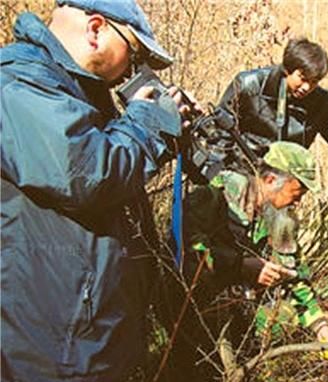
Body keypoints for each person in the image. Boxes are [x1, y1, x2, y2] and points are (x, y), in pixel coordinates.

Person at [0, 1, 194, 380]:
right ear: (96, 29)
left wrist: (167, 135)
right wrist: (146, 123)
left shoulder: (75, 91)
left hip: (87, 342)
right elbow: (87, 172)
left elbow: (111, 185)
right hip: (45, 350)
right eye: (135, 54)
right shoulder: (17, 82)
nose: (134, 72)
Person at [163, 142, 328, 379]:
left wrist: (320, 326)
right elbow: (187, 250)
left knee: (285, 320)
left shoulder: (282, 221)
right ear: (270, 180)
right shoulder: (217, 195)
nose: (298, 203)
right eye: (296, 193)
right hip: (192, 305)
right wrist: (241, 266)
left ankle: (244, 357)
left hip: (240, 304)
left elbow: (295, 276)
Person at [213, 37, 328, 187]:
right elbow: (219, 133)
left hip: (282, 185)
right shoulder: (249, 84)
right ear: (287, 68)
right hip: (239, 172)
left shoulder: (320, 102)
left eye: (314, 81)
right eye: (302, 78)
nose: (306, 87)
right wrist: (216, 176)